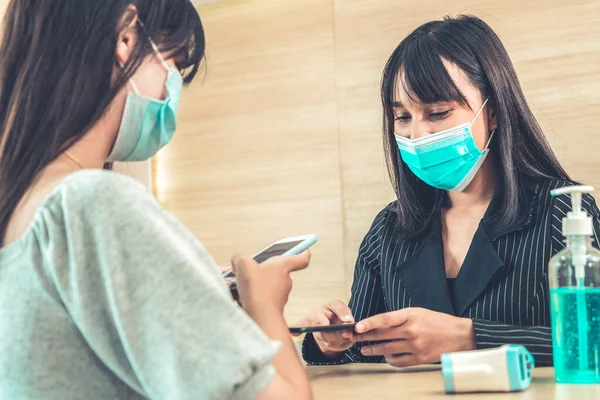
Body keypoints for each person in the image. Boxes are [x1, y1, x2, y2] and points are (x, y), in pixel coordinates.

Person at [0, 1, 312, 399]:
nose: (172, 87)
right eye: (174, 65)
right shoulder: (92, 203)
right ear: (127, 36)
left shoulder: (19, 204)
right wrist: (263, 305)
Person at [297, 15, 600, 368]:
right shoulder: (388, 231)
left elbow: (591, 342)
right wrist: (331, 341)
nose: (418, 135)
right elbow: (362, 352)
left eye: (438, 112)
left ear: (495, 110)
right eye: (403, 117)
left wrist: (472, 338)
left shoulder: (562, 211)